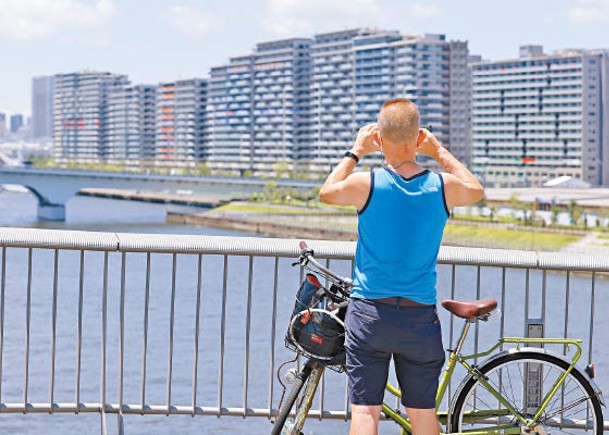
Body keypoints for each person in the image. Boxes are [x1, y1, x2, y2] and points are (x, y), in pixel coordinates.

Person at [319, 98, 484, 435]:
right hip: (419, 317)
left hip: (369, 315)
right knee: (423, 416)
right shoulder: (441, 186)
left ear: (378, 139)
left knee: (366, 414)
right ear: (418, 137)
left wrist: (355, 151)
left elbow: (326, 192)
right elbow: (476, 189)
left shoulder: (366, 184)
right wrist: (438, 151)